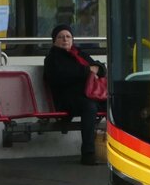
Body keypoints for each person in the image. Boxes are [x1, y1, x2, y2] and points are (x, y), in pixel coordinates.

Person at [43, 24, 104, 165]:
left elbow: (100, 68)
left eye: (68, 36)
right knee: (89, 107)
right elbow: (61, 77)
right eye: (61, 37)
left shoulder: (79, 54)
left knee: (115, 102)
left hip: (89, 95)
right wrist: (88, 71)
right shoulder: (52, 59)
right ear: (54, 41)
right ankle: (88, 153)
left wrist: (95, 69)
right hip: (66, 99)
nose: (65, 39)